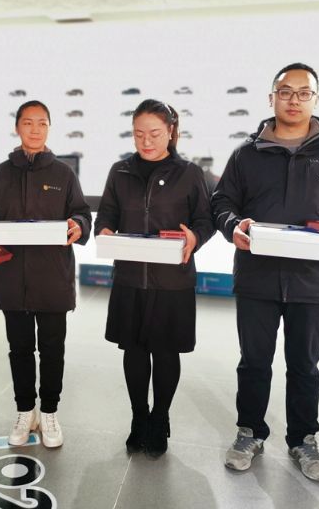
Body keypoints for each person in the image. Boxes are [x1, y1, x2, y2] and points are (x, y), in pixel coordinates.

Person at [211, 63, 319, 481]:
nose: (294, 99)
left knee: (305, 364)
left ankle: (303, 438)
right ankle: (250, 432)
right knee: (254, 362)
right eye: (286, 91)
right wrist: (233, 226)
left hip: (313, 280)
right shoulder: (246, 154)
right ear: (272, 97)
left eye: (304, 92)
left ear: (316, 100)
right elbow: (221, 202)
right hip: (257, 277)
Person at [94, 99, 215, 457]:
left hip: (172, 280)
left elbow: (205, 220)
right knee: (133, 350)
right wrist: (104, 230)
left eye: (155, 134)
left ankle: (160, 419)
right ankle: (139, 417)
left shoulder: (189, 173)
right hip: (130, 277)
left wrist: (195, 237)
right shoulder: (120, 171)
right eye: (138, 134)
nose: (146, 141)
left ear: (171, 132)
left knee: (165, 352)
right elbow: (107, 215)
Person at [0, 100, 92, 448]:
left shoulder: (64, 174)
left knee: (52, 349)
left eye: (42, 123)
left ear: (49, 128)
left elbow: (83, 214)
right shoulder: (0, 174)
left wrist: (78, 225)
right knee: (19, 349)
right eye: (28, 122)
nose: (35, 129)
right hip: (12, 278)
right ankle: (26, 411)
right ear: (17, 127)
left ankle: (49, 412)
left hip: (53, 278)